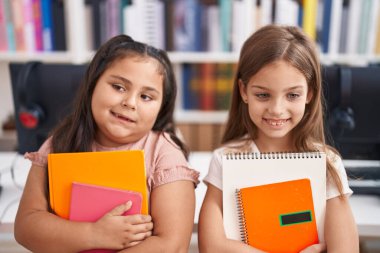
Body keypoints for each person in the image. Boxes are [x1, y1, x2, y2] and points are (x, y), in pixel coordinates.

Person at [14, 35, 199, 253]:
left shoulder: (164, 154)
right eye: (119, 87)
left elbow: (172, 245)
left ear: (161, 107)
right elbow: (26, 226)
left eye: (146, 97)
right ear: (93, 85)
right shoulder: (60, 142)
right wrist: (94, 234)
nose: (129, 102)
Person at [198, 25, 359, 253]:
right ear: (244, 91)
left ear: (309, 94)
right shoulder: (226, 159)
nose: (276, 109)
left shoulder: (327, 163)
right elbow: (211, 247)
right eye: (263, 95)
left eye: (292, 95)